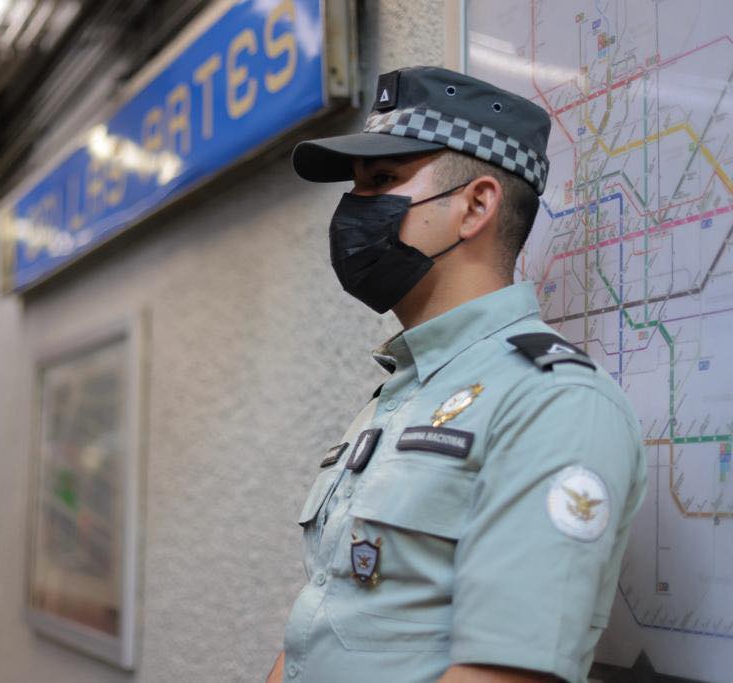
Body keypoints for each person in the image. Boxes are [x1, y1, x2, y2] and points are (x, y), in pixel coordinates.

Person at [268, 66, 647, 683]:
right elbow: (329, 623)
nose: (351, 210)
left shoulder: (552, 401)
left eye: (383, 180)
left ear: (475, 206)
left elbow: (506, 674)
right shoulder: (405, 391)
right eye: (357, 185)